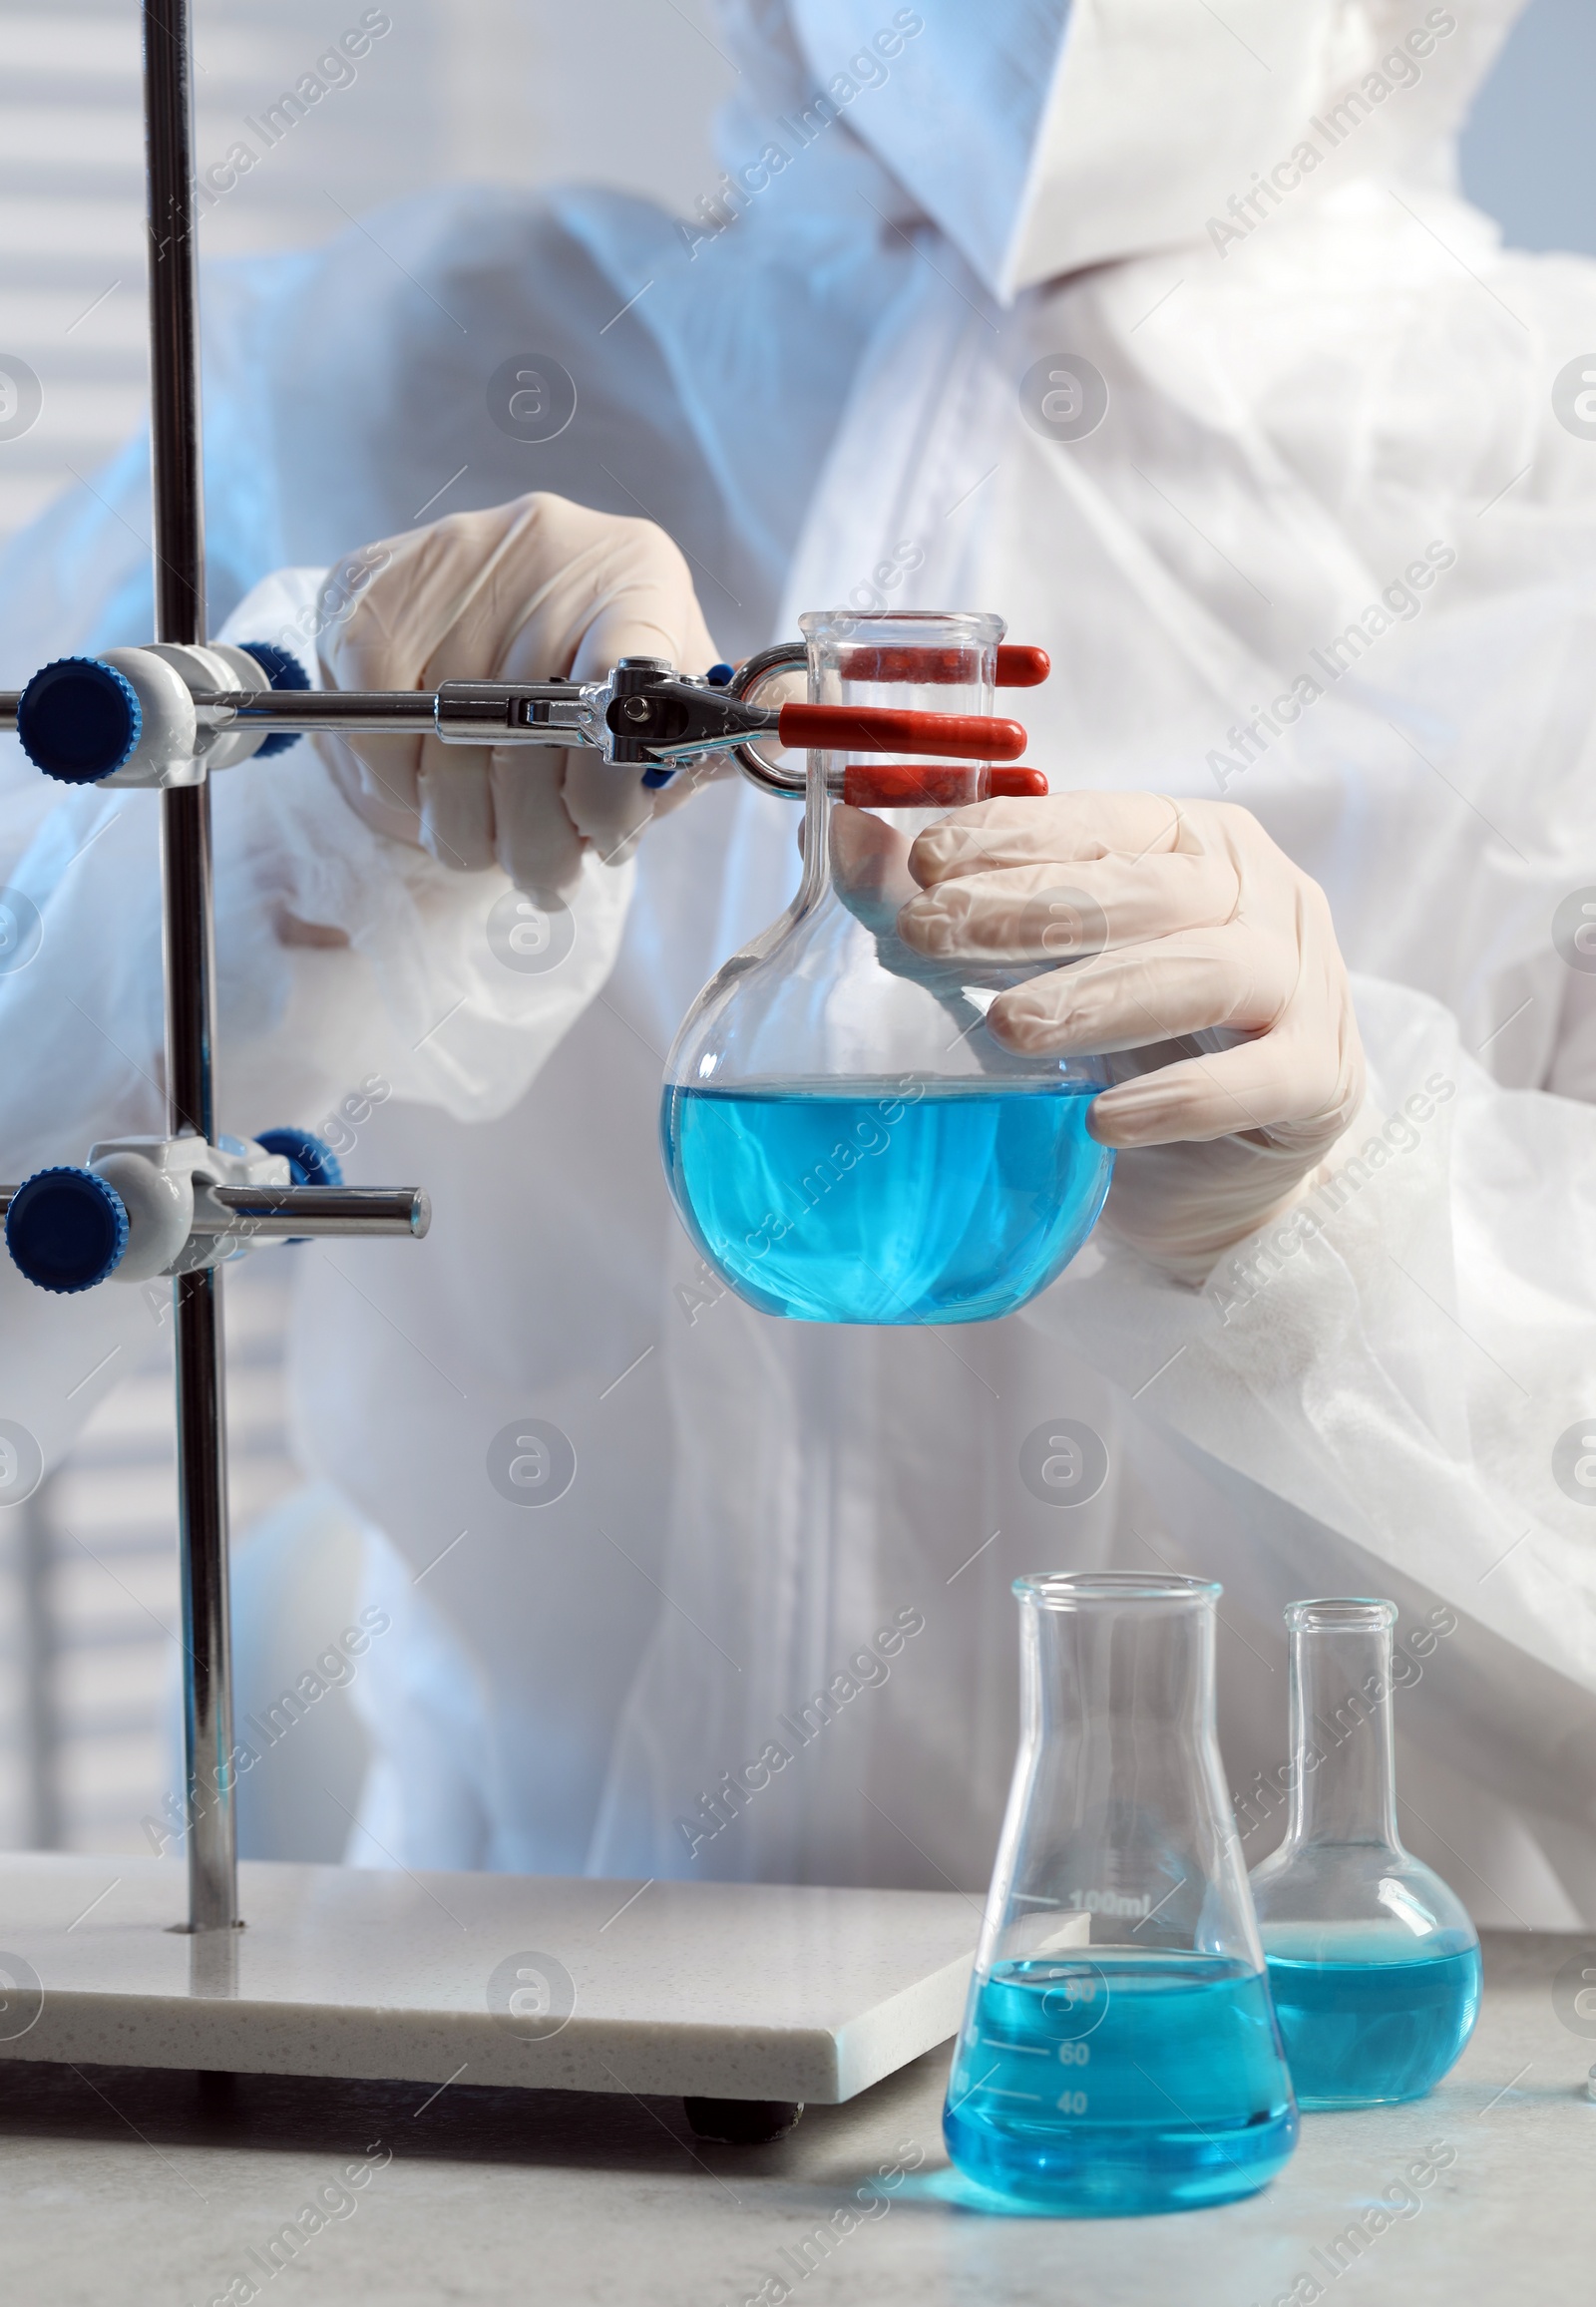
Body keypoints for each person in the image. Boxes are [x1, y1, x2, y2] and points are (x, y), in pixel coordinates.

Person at [2, 0, 1594, 1923]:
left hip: (1332, 2122)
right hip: (518, 2097)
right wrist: (283, 807)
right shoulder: (405, 367)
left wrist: (1341, 1249)